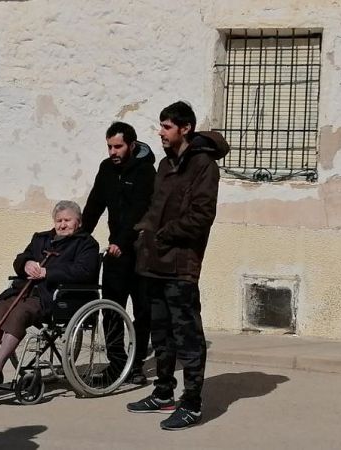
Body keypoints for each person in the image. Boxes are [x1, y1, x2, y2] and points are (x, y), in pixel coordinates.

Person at [125, 102, 230, 430]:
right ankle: (163, 393)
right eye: (161, 125)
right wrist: (143, 234)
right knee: (161, 333)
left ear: (185, 129)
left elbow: (202, 215)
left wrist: (164, 235)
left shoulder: (203, 165)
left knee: (187, 335)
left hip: (181, 264)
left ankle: (192, 403)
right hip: (154, 261)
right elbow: (155, 209)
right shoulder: (164, 164)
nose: (161, 132)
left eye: (167, 126)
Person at [0, 200, 99, 386]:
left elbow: (84, 272)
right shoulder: (41, 239)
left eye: (67, 220)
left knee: (19, 312)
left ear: (79, 222)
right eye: (58, 220)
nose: (62, 225)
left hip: (56, 297)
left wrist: (47, 272)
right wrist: (26, 264)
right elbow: (21, 258)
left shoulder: (86, 244)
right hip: (26, 290)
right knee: (1, 308)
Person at [81, 121, 156, 384]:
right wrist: (80, 238)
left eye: (118, 146)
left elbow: (139, 211)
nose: (113, 152)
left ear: (131, 145)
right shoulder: (106, 169)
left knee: (143, 311)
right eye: (110, 147)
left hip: (141, 252)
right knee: (111, 309)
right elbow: (94, 205)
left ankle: (135, 365)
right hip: (116, 253)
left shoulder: (146, 171)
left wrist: (122, 241)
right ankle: (117, 363)